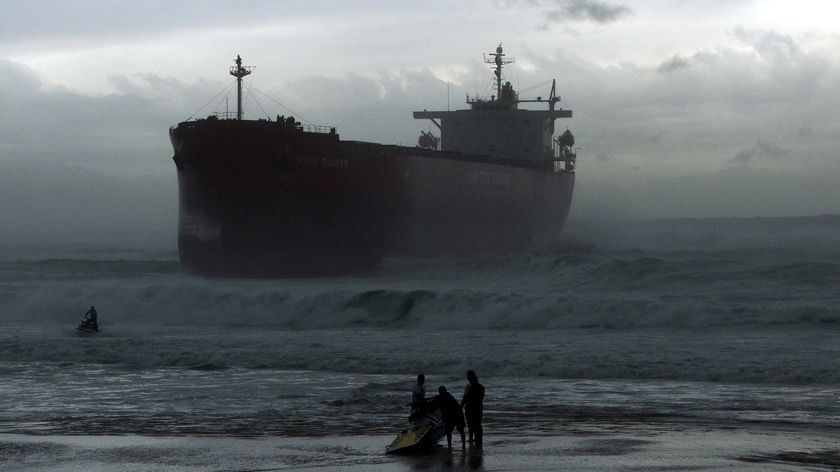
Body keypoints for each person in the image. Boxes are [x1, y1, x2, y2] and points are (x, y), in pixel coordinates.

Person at [461, 370, 484, 446]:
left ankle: (471, 438)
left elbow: (465, 397)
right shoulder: (481, 387)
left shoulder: (469, 387)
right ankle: (478, 438)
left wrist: (461, 406)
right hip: (479, 407)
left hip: (470, 407)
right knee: (478, 423)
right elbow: (481, 398)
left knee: (470, 423)